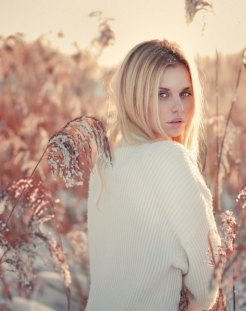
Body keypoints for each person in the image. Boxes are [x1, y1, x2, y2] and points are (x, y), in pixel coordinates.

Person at [86, 39, 221, 311]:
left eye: (185, 93)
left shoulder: (106, 162)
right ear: (136, 95)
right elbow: (207, 283)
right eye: (162, 94)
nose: (178, 107)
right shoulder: (170, 158)